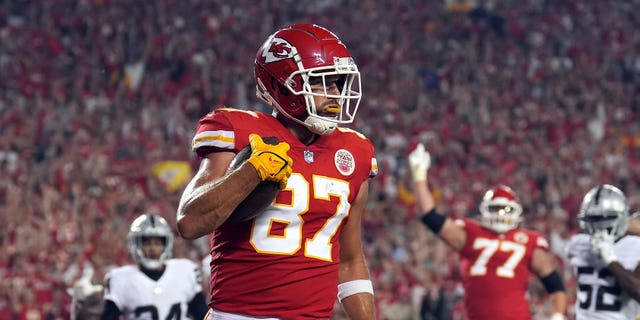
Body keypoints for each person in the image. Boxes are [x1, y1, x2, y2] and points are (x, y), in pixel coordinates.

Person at [176, 24, 377, 319]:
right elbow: (189, 223)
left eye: (338, 82)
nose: (335, 93)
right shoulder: (238, 131)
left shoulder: (355, 152)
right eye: (321, 82)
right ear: (280, 86)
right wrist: (251, 172)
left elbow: (349, 260)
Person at [407, 143, 567, 320]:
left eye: (504, 210)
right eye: (495, 209)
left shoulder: (528, 240)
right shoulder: (472, 232)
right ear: (484, 210)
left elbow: (555, 285)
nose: (499, 215)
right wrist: (419, 176)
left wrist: (558, 314)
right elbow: (430, 216)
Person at [69, 213, 208, 320]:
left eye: (157, 243)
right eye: (146, 242)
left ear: (167, 244)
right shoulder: (120, 279)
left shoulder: (184, 271)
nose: (152, 248)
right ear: (135, 245)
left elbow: (201, 314)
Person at [565, 184, 640, 319]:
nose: (598, 225)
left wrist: (611, 260)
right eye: (593, 219)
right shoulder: (578, 244)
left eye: (606, 218)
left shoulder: (635, 247)